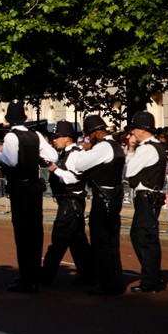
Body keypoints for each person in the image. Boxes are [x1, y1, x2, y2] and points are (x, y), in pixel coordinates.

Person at [0, 99, 57, 293]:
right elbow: (52, 156)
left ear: (9, 119)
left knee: (22, 233)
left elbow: (11, 161)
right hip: (35, 188)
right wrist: (37, 159)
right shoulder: (35, 134)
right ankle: (34, 275)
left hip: (20, 188)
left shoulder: (11, 137)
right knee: (35, 232)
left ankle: (26, 277)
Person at [65, 114, 126, 296]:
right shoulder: (115, 145)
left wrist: (85, 151)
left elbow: (79, 164)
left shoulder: (103, 147)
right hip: (113, 196)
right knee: (111, 242)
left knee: (101, 242)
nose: (88, 138)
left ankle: (108, 283)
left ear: (97, 133)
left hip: (103, 198)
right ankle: (113, 280)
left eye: (89, 135)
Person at [42, 121, 94, 285]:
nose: (54, 140)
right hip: (69, 201)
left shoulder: (75, 154)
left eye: (57, 137)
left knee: (58, 239)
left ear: (67, 138)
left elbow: (72, 178)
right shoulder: (66, 153)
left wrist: (54, 169)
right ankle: (89, 275)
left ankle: (45, 276)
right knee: (78, 242)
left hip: (70, 202)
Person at [125, 111, 168, 293]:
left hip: (146, 197)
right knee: (140, 235)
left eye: (134, 129)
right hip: (149, 197)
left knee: (144, 238)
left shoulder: (147, 148)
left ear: (142, 130)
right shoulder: (153, 146)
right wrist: (132, 149)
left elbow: (128, 171)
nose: (131, 133)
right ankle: (153, 274)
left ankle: (150, 279)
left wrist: (131, 150)